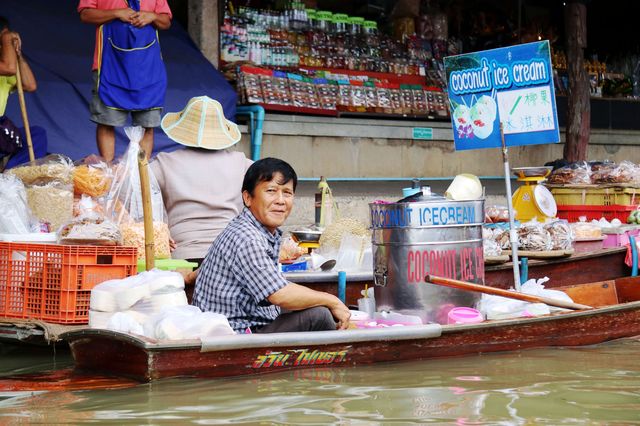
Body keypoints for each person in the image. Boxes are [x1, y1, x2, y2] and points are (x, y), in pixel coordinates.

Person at [193, 157, 351, 334]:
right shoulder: (247, 237)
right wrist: (332, 300)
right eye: (271, 191)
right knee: (320, 315)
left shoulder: (253, 229)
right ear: (247, 198)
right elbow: (279, 294)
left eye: (287, 193)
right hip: (235, 335)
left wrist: (188, 276)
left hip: (251, 320)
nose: (280, 200)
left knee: (313, 304)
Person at [150, 96, 252, 266]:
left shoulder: (164, 162)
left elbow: (130, 191)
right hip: (232, 256)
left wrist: (159, 227)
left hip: (181, 257)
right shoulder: (243, 164)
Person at [78, 0, 172, 162]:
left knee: (147, 125)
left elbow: (166, 22)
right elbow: (85, 15)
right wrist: (116, 12)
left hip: (148, 68)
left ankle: (140, 177)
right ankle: (108, 173)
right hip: (110, 65)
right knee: (107, 122)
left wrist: (153, 16)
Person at [0, 16, 36, 168]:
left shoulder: (5, 73)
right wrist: (8, 36)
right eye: (4, 40)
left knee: (37, 135)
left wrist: (18, 55)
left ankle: (10, 176)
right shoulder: (6, 68)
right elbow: (9, 68)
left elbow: (30, 85)